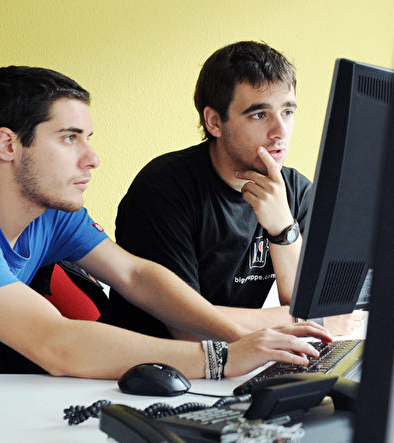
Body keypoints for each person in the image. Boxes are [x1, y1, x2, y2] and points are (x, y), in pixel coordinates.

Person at [0, 65, 331, 377]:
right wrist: (221, 358)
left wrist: (247, 340)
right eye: (69, 138)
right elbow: (56, 344)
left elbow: (136, 275)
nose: (92, 158)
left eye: (87, 137)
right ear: (8, 145)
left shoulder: (51, 214)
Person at [100, 41, 365, 340]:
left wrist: (283, 228)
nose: (280, 131)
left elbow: (304, 302)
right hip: (151, 361)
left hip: (237, 356)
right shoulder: (162, 190)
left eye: (287, 112)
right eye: (259, 115)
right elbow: (187, 328)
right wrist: (303, 318)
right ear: (215, 122)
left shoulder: (294, 190)